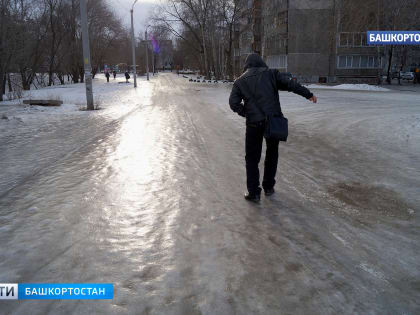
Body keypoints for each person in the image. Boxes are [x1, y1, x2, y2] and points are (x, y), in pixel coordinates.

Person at [229, 53, 317, 202]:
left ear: (247, 65)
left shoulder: (239, 81)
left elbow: (233, 103)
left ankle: (254, 193)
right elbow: (291, 84)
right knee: (272, 154)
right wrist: (308, 94)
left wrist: (248, 113)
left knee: (252, 158)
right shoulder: (271, 74)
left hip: (253, 124)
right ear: (261, 63)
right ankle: (269, 187)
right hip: (273, 121)